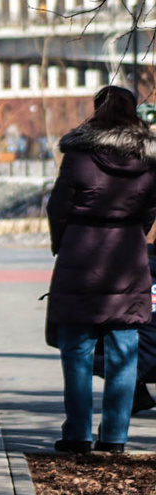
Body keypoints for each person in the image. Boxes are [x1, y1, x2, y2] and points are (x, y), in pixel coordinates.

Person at [47, 86, 156, 454]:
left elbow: (58, 206)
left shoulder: (79, 155)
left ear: (96, 110)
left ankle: (77, 434)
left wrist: (62, 241)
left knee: (76, 350)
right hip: (128, 257)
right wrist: (133, 235)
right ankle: (115, 437)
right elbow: (150, 209)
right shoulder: (148, 158)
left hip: (81, 254)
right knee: (125, 351)